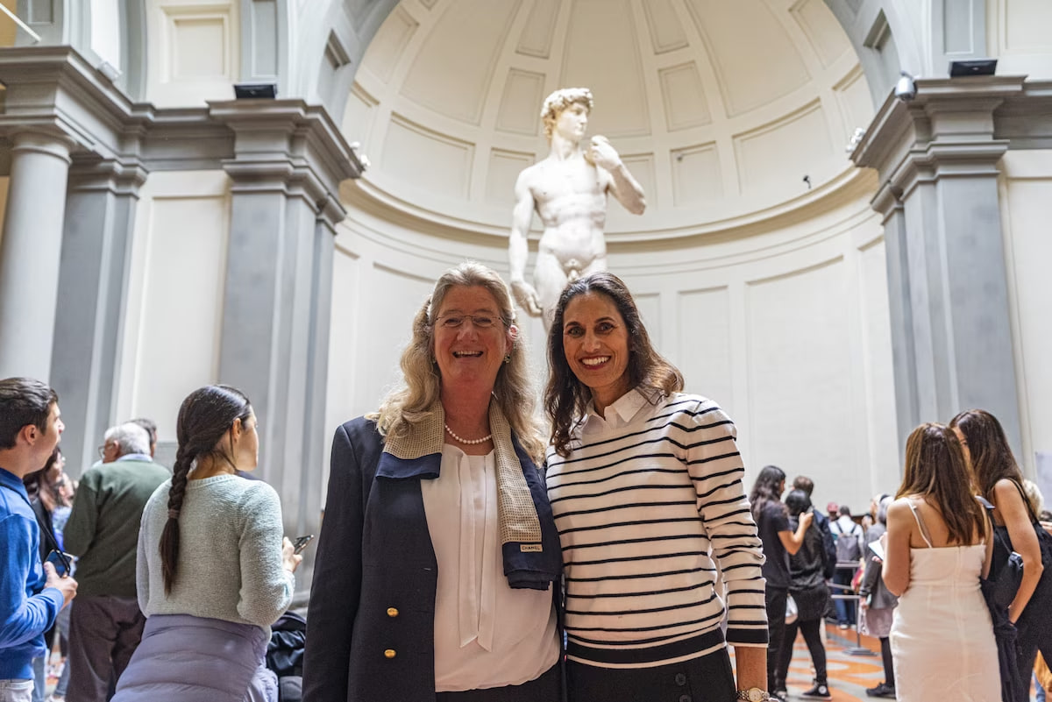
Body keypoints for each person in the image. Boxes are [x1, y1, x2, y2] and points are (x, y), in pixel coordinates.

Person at [303, 262, 562, 702]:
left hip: (533, 688)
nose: (467, 335)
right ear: (430, 336)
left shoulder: (538, 451)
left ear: (508, 338)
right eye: (452, 320)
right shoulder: (367, 445)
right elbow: (331, 601)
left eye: (483, 320)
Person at [544, 272, 771, 703]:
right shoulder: (559, 450)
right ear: (562, 347)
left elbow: (740, 554)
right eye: (575, 331)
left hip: (686, 673)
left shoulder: (692, 420)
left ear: (632, 333)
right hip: (588, 677)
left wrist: (754, 691)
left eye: (604, 327)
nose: (590, 344)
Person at [113, 385, 301, 701]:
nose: (258, 439)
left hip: (142, 679)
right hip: (224, 679)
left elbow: (148, 601)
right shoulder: (255, 497)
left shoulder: (161, 500)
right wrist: (286, 570)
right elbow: (261, 606)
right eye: (255, 427)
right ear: (236, 428)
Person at [508, 88, 646, 330]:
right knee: (556, 341)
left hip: (594, 260)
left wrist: (616, 166)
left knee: (595, 335)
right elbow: (519, 232)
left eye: (586, 114)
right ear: (554, 117)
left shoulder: (600, 165)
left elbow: (638, 205)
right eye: (576, 112)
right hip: (551, 261)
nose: (584, 120)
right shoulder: (532, 176)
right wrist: (517, 278)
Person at [882, 423, 999, 701]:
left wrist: (887, 549)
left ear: (914, 460)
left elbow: (897, 584)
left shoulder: (904, 510)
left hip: (923, 631)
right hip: (975, 628)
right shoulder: (980, 509)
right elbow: (986, 571)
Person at [63, 422, 169, 702]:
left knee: (89, 680)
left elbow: (75, 542)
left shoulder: (98, 476)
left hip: (96, 595)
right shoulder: (167, 480)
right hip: (145, 597)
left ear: (114, 447)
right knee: (133, 682)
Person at [950, 409, 1052, 700]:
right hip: (1024, 607)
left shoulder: (1002, 487)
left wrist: (1009, 619)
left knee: (1013, 687)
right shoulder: (980, 490)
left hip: (1035, 604)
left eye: (963, 443)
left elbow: (1033, 564)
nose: (957, 451)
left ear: (982, 444)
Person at [0, 377, 78, 703]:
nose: (61, 428)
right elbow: (7, 624)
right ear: (30, 433)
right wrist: (55, 595)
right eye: (56, 419)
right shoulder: (12, 512)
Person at [749, 466, 811, 700]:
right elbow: (792, 545)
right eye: (784, 483)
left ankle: (755, 685)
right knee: (775, 638)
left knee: (755, 636)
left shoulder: (753, 506)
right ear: (778, 484)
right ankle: (771, 689)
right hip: (776, 581)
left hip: (755, 579)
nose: (785, 488)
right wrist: (803, 525)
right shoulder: (776, 510)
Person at [774, 489, 832, 701]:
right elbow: (827, 558)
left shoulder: (786, 528)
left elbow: (783, 561)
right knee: (814, 639)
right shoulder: (815, 529)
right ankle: (822, 685)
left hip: (794, 592)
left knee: (785, 642)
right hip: (816, 588)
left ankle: (780, 686)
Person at [858, 495, 897, 700]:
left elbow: (870, 566)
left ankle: (891, 683)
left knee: (886, 639)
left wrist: (863, 592)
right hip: (898, 592)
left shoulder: (875, 531)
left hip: (881, 593)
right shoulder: (898, 528)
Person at [829, 504, 863, 629]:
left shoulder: (832, 526)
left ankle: (843, 621)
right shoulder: (857, 527)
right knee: (852, 589)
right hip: (853, 564)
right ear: (850, 514)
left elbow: (830, 545)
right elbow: (861, 545)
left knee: (837, 590)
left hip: (838, 563)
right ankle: (853, 620)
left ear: (839, 514)